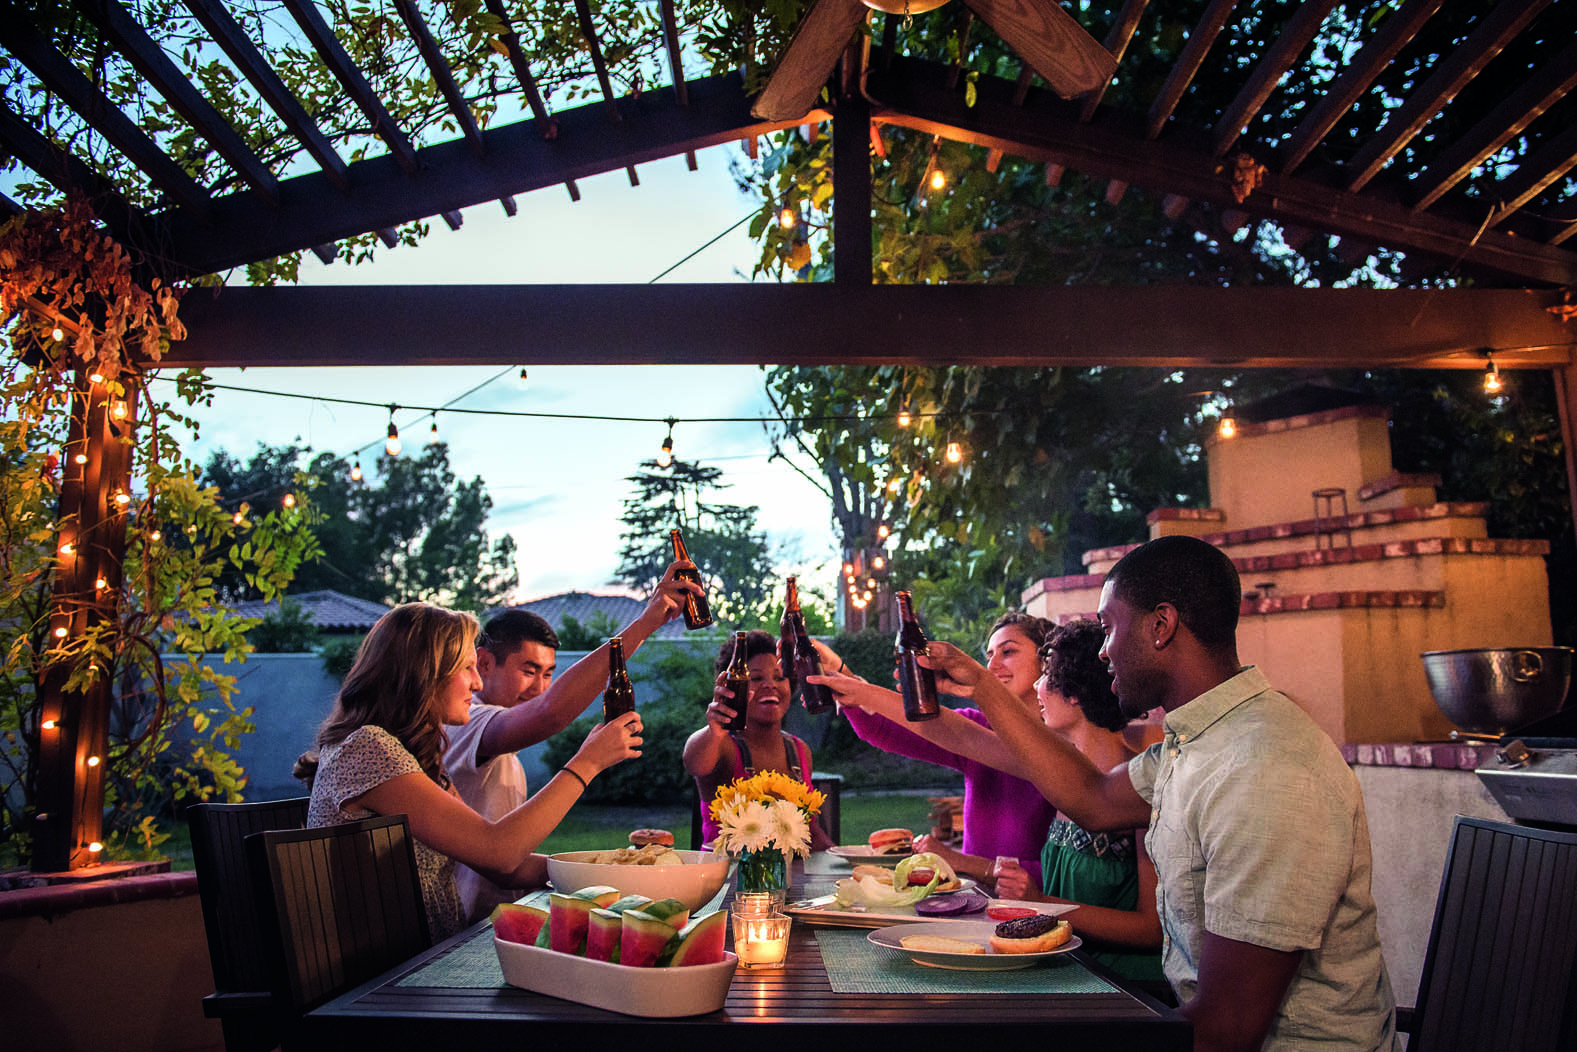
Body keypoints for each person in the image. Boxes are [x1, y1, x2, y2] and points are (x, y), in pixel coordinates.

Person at [916, 536, 1399, 1052]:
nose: (1102, 651)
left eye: (1107, 629)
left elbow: (1228, 1028)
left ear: (1160, 626)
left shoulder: (1264, 769)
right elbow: (1095, 798)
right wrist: (983, 687)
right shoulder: (1199, 740)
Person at [813, 619, 1163, 984]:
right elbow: (956, 733)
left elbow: (1151, 929)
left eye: (1046, 675)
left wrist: (1038, 901)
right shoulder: (1058, 768)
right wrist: (855, 688)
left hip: (1122, 981)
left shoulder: (1132, 784)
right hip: (1061, 963)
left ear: (1074, 692)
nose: (1040, 686)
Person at [295, 602, 642, 942]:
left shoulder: (410, 755)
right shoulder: (369, 748)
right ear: (423, 673)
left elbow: (505, 868)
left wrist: (612, 865)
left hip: (426, 958)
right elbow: (499, 851)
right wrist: (587, 763)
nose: (477, 684)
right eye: (466, 668)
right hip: (390, 978)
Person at [444, 563, 699, 919]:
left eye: (548, 674)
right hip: (457, 933)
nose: (539, 687)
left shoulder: (504, 754)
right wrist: (646, 622)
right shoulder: (465, 722)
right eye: (528, 671)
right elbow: (550, 711)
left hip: (492, 923)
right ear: (484, 664)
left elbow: (506, 859)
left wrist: (607, 866)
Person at [830, 612, 1058, 885]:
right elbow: (880, 727)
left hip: (1036, 909)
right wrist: (838, 672)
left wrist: (963, 862)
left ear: (1046, 660)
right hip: (972, 899)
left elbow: (1061, 875)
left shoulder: (1064, 747)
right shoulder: (979, 726)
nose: (993, 665)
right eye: (988, 656)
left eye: (1008, 651)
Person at [683, 629, 834, 851]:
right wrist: (714, 729)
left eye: (779, 677)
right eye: (755, 678)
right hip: (729, 880)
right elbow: (693, 761)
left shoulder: (799, 750)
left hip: (790, 881)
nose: (770, 685)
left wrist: (849, 860)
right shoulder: (723, 745)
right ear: (733, 686)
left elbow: (811, 830)